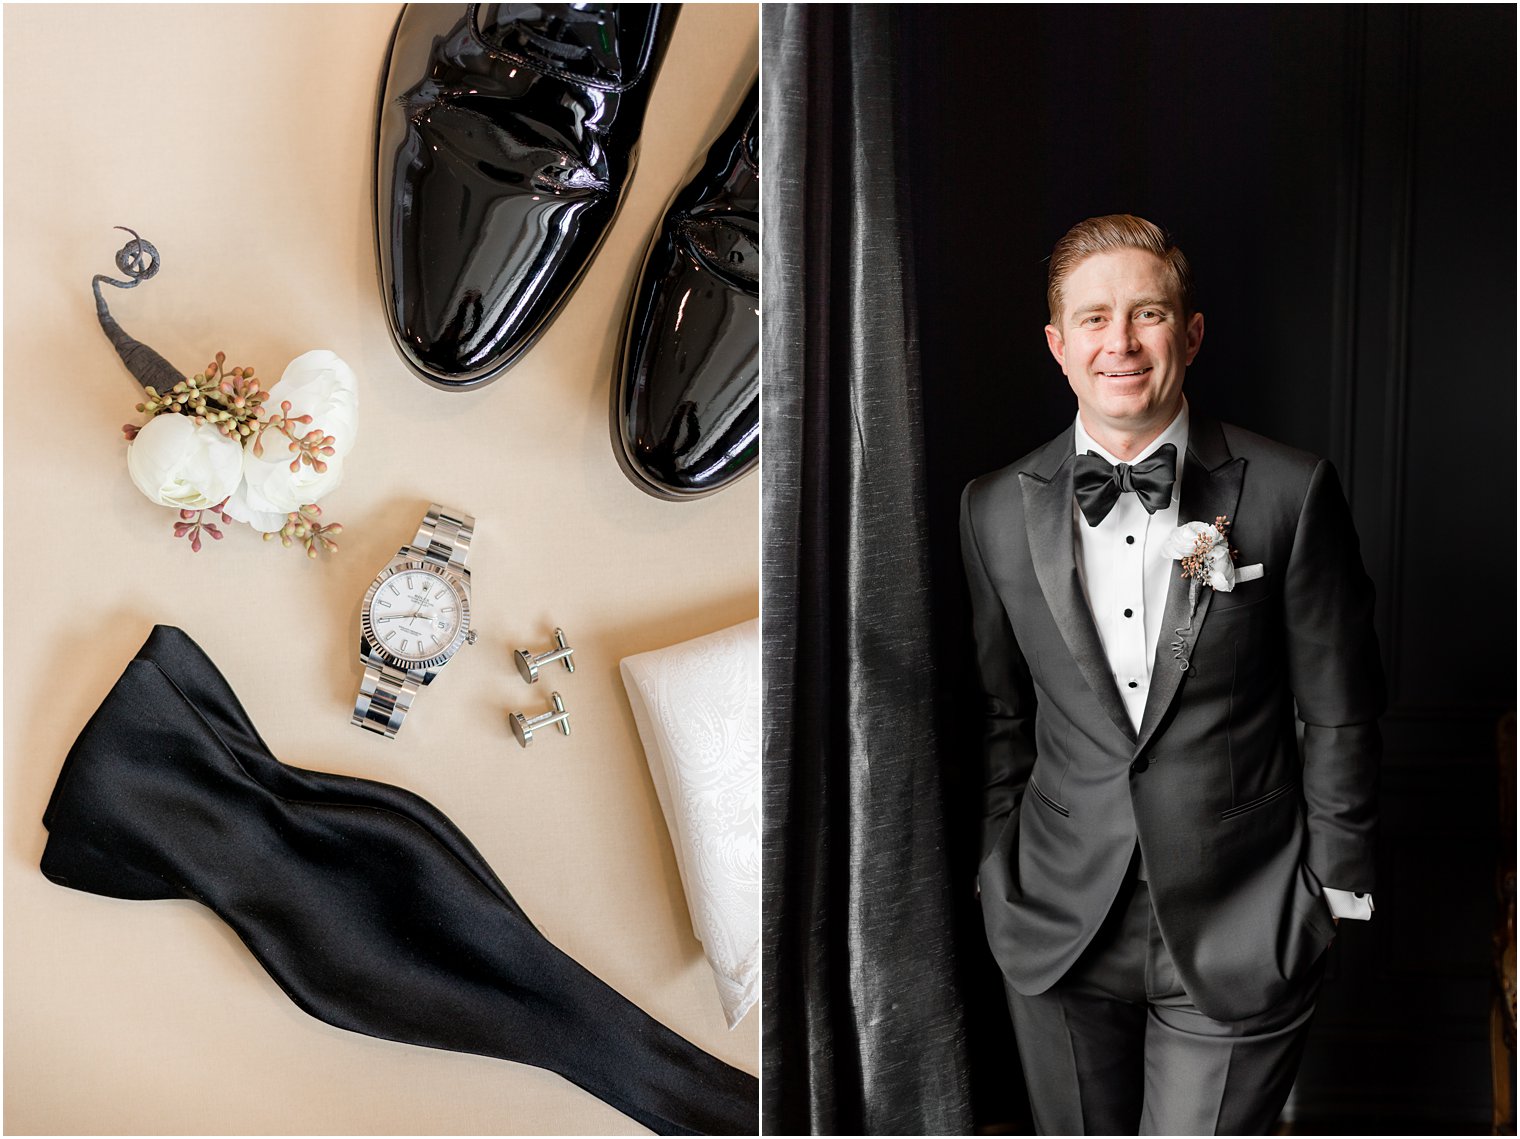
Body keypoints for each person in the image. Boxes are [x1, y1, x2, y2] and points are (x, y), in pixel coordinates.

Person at [959, 214, 1382, 1135]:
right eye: (1095, 318)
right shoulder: (991, 508)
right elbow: (1000, 713)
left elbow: (1339, 708)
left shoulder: (1287, 490)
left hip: (1244, 921)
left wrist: (1329, 892)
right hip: (1056, 924)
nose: (1120, 342)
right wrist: (1001, 872)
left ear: (1189, 333)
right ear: (1058, 344)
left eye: (1147, 314)